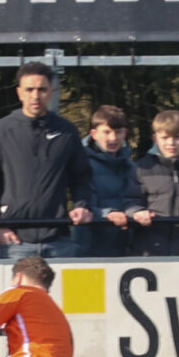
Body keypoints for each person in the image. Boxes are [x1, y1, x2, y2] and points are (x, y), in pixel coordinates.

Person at [0, 62, 94, 259]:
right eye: (29, 89)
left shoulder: (67, 131)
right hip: (15, 243)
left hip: (60, 240)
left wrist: (81, 205)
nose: (35, 96)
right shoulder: (0, 131)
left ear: (51, 92)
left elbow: (81, 177)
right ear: (19, 93)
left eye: (42, 89)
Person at [71, 105, 135, 257]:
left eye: (118, 132)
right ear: (94, 134)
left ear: (125, 133)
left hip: (125, 246)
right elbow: (82, 202)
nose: (113, 138)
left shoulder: (131, 166)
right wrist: (108, 213)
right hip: (89, 247)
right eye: (107, 132)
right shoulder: (82, 164)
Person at [125, 110, 179, 256]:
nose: (171, 143)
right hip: (151, 250)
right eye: (165, 137)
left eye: (177, 137)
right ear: (155, 138)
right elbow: (130, 201)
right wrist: (137, 211)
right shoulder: (142, 168)